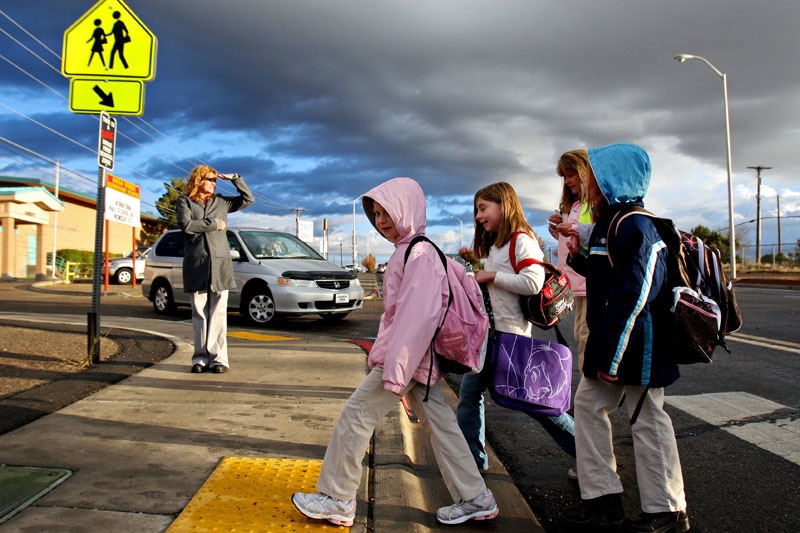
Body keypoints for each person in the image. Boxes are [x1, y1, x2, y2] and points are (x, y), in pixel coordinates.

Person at [292, 177, 499, 527]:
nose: (382, 221)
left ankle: (337, 498)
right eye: (376, 215)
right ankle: (475, 497)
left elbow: (417, 317)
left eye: (387, 212)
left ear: (406, 209)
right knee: (443, 426)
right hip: (417, 358)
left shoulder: (417, 252)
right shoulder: (414, 249)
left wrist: (395, 370)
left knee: (356, 416)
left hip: (407, 358)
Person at [562, 143, 689, 533]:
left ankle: (668, 510)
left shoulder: (635, 224)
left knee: (648, 418)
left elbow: (635, 295)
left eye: (594, 176)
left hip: (639, 347)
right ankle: (603, 498)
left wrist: (610, 359)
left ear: (613, 178)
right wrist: (576, 255)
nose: (587, 183)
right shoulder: (612, 222)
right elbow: (607, 278)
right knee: (587, 406)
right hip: (618, 343)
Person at [456, 181, 577, 477]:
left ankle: (589, 452)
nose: (478, 216)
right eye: (476, 210)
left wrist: (491, 276)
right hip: (491, 335)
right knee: (470, 398)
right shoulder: (499, 243)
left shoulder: (520, 240)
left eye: (483, 208)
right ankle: (472, 462)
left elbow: (533, 282)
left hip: (508, 336)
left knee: (536, 404)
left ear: (504, 205)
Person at [176, 164, 254, 374]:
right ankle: (200, 359)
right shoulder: (185, 201)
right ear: (198, 180)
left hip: (220, 265)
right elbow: (187, 225)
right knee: (200, 314)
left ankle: (219, 359)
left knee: (219, 313)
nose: (213, 183)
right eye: (209, 179)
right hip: (197, 264)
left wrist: (236, 178)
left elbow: (248, 199)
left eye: (215, 180)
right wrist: (214, 223)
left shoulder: (221, 201)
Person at [548, 150, 593, 373]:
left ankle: (591, 392)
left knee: (586, 334)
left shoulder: (593, 204)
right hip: (576, 281)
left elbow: (597, 234)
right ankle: (591, 392)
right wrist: (557, 230)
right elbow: (571, 240)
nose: (567, 181)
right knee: (579, 333)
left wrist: (572, 228)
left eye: (571, 174)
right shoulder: (573, 205)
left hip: (590, 279)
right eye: (564, 177)